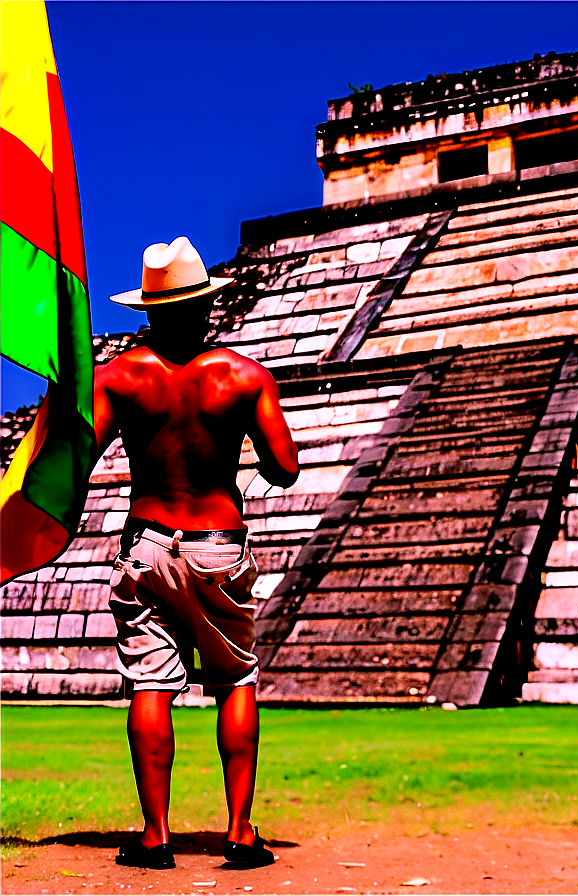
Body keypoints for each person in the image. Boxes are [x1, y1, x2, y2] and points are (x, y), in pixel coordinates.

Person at [94, 237, 298, 870]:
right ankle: (239, 831)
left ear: (149, 312)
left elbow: (81, 456)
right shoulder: (243, 376)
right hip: (218, 544)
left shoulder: (117, 378)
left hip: (147, 544)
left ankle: (156, 836)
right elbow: (285, 467)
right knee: (235, 679)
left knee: (149, 687)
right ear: (206, 306)